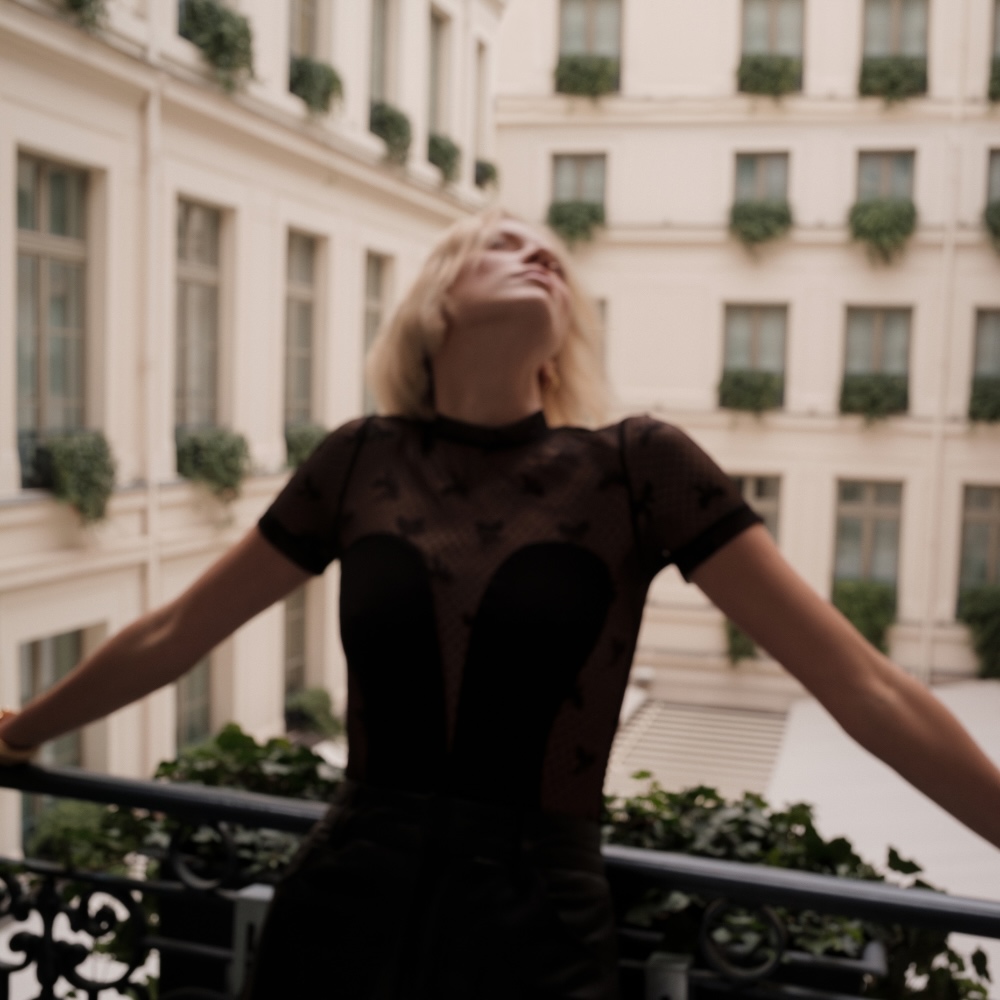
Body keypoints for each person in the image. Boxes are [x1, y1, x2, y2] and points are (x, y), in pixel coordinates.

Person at [1, 208, 999, 999]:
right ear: (439, 298)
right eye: (508, 245)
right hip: (342, 905)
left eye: (557, 259)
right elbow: (177, 629)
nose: (543, 260)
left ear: (566, 334)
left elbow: (858, 680)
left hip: (538, 934)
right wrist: (22, 730)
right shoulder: (359, 460)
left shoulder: (637, 468)